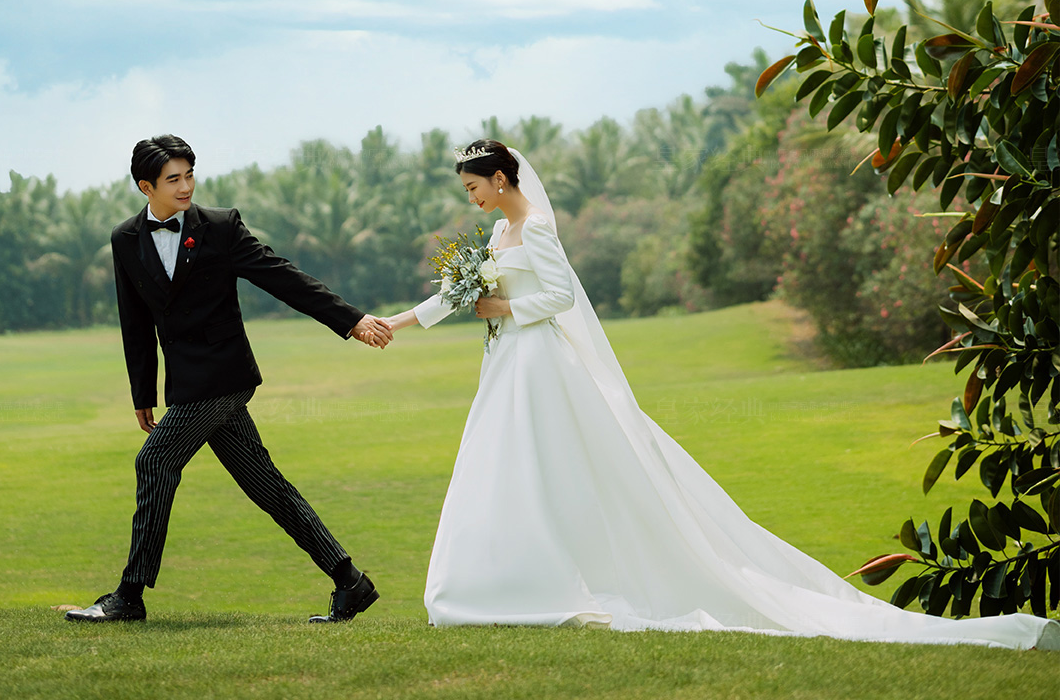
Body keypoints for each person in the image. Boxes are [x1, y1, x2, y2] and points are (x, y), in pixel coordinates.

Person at [383, 140, 1058, 649]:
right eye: (468, 190)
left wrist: (506, 309)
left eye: (474, 186)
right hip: (508, 365)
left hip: (538, 363)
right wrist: (394, 322)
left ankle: (544, 579)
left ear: (501, 179)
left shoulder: (535, 228)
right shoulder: (499, 231)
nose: (472, 198)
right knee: (504, 465)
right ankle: (498, 580)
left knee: (548, 466)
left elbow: (559, 297)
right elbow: (456, 292)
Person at [65, 134, 391, 626]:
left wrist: (351, 320)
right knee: (266, 485)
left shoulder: (220, 227)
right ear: (145, 187)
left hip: (224, 374)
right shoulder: (125, 238)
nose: (185, 187)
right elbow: (135, 321)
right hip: (186, 380)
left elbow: (282, 276)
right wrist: (142, 392)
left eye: (189, 175)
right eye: (173, 179)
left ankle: (129, 596)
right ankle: (349, 581)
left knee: (154, 461)